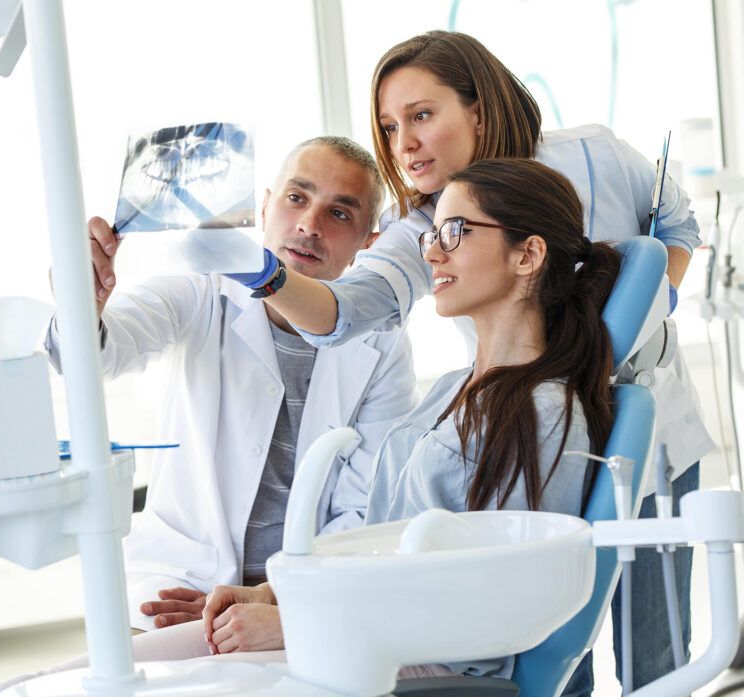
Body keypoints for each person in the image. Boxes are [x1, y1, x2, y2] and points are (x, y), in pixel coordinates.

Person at [208, 31, 708, 694]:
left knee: (654, 657)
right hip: (517, 432)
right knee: (564, 662)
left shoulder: (594, 155)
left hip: (618, 435)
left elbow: (678, 224)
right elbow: (348, 308)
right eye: (389, 126)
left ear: (477, 110)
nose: (403, 143)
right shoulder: (425, 227)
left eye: (421, 115)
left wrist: (638, 314)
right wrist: (259, 272)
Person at [49, 158, 621, 680]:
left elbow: (489, 610)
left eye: (455, 232)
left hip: (378, 649)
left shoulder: (541, 414)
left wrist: (296, 615)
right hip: (288, 606)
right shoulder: (459, 388)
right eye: (296, 199)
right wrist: (277, 597)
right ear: (269, 204)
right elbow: (390, 534)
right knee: (59, 679)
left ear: (528, 254)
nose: (431, 254)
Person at [50, 136, 418, 632]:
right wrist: (82, 302)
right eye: (296, 198)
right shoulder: (202, 287)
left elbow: (365, 506)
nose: (309, 225)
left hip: (300, 595)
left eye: (339, 214)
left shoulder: (383, 343)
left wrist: (276, 593)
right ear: (264, 207)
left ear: (366, 246)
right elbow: (98, 354)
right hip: (179, 585)